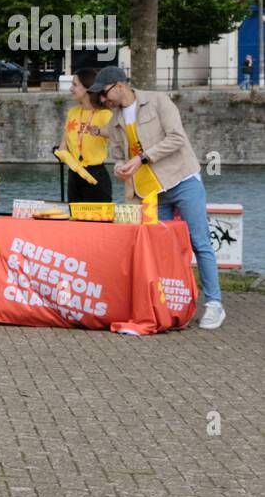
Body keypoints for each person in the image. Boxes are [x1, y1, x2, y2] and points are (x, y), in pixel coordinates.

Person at [93, 65, 224, 330]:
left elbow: (177, 138)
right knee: (163, 251)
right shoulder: (113, 120)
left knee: (200, 242)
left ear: (120, 85)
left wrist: (141, 158)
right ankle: (172, 305)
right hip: (150, 193)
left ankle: (214, 304)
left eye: (105, 93)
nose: (103, 100)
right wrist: (120, 167)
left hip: (182, 179)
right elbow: (119, 154)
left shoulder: (158, 101)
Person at [59, 67, 114, 203]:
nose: (71, 88)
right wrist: (62, 154)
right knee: (76, 222)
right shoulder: (73, 112)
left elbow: (115, 133)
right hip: (74, 175)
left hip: (96, 176)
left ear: (88, 88)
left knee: (98, 221)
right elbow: (63, 145)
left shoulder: (104, 114)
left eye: (75, 85)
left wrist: (98, 131)